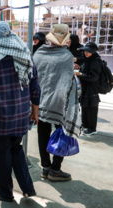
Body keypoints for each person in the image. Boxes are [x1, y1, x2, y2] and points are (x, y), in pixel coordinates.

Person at [0, 22, 40, 201]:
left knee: (1, 159)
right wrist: (34, 113)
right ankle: (28, 188)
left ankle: (5, 193)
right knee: (17, 149)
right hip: (21, 117)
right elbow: (35, 88)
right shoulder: (25, 55)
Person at [33, 24, 82, 181]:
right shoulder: (66, 56)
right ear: (66, 39)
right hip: (59, 103)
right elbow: (67, 82)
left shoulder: (38, 54)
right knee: (62, 133)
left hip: (40, 102)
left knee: (42, 134)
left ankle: (45, 168)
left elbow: (33, 78)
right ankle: (55, 169)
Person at [75, 42, 102, 136]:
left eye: (88, 52)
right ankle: (86, 125)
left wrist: (81, 74)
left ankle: (92, 128)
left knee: (91, 108)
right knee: (85, 107)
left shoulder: (96, 61)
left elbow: (93, 77)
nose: (86, 53)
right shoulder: (88, 59)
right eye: (85, 51)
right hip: (85, 88)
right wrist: (79, 69)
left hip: (92, 89)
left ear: (93, 52)